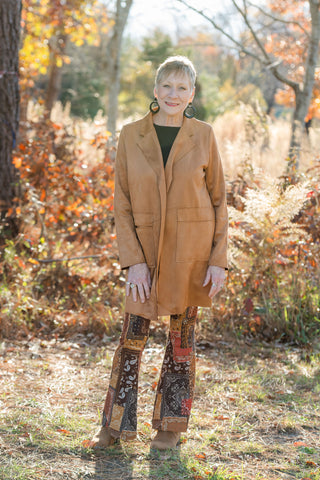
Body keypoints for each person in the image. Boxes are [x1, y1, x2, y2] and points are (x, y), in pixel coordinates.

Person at [91, 56, 228, 450]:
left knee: (181, 340)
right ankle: (113, 426)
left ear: (192, 95)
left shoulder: (204, 135)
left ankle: (170, 427)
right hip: (145, 254)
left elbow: (220, 200)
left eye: (182, 88)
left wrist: (218, 260)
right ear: (155, 90)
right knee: (131, 337)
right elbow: (122, 203)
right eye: (166, 86)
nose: (173, 94)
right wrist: (133, 260)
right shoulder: (131, 135)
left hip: (192, 253)